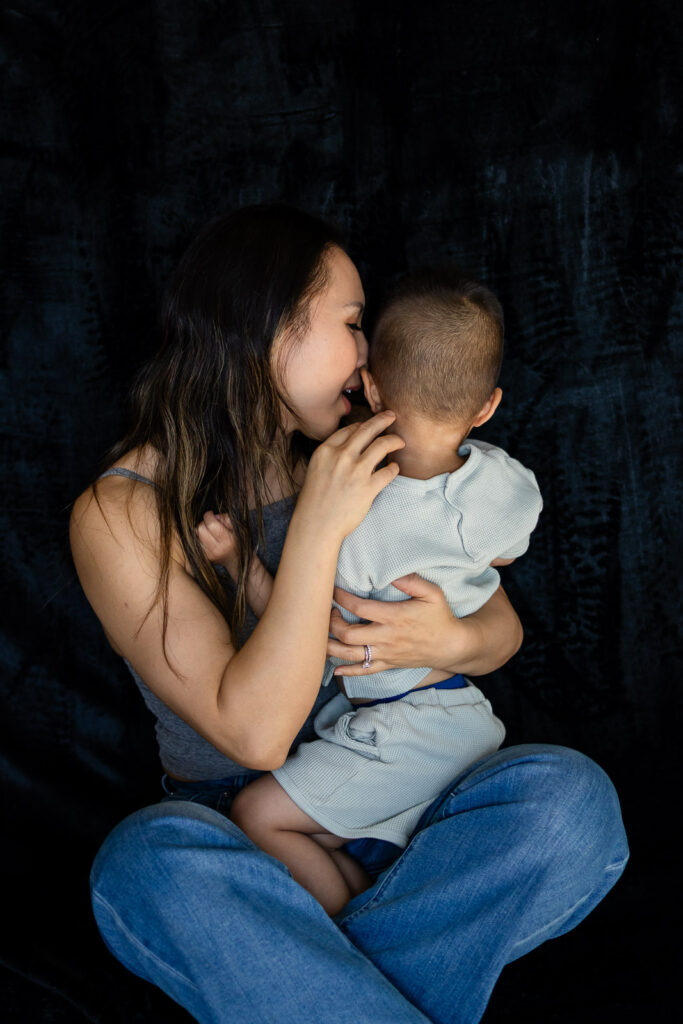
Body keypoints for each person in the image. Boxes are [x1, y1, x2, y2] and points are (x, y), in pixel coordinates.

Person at [70, 205, 628, 1024]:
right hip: (248, 831)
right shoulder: (124, 512)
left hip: (399, 788)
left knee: (572, 804)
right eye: (353, 322)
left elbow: (497, 625)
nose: (371, 356)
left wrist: (455, 638)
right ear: (267, 326)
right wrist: (320, 527)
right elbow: (255, 733)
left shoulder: (365, 448)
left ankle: (308, 976)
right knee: (143, 869)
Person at [197, 269, 544, 916]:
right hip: (452, 713)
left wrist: (240, 562)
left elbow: (304, 629)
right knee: (323, 835)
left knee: (258, 817)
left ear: (372, 387)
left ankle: (359, 957)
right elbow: (505, 550)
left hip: (405, 725)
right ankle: (387, 934)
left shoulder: (357, 513)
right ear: (486, 407)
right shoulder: (507, 485)